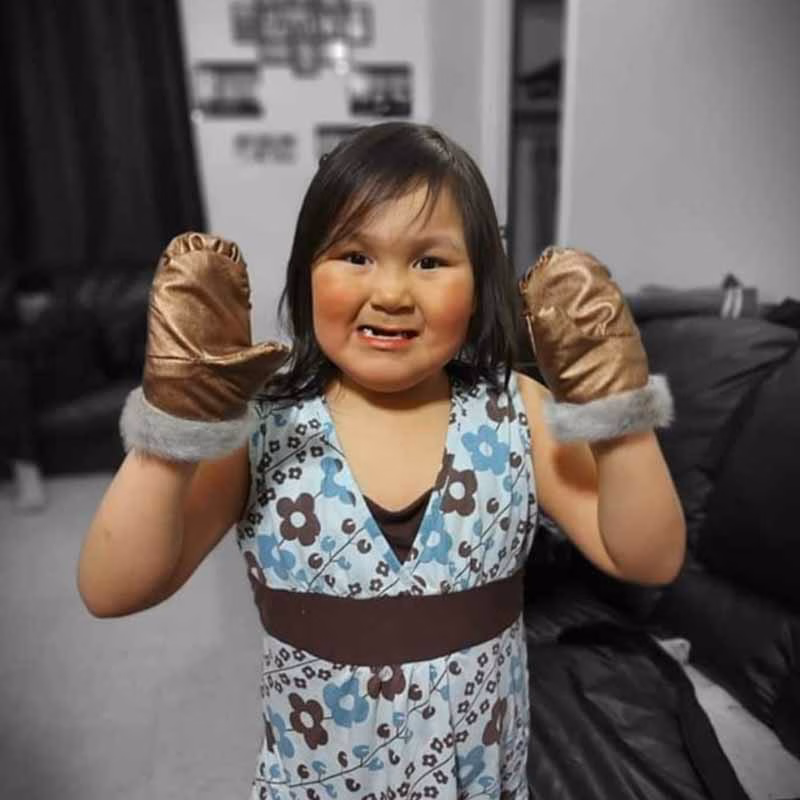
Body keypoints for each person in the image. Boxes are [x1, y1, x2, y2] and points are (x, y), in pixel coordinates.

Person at [76, 122, 685, 799]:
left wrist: (615, 411)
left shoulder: (520, 410)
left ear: (479, 284)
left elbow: (648, 559)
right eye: (355, 255)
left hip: (478, 780)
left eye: (430, 262)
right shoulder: (258, 424)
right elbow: (112, 589)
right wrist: (177, 422)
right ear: (307, 273)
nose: (392, 292)